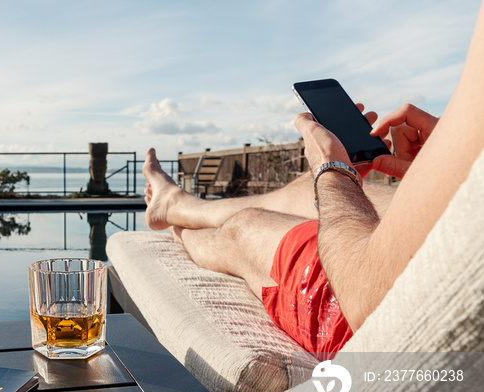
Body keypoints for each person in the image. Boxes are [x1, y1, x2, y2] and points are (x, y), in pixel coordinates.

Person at [142, 2, 484, 355]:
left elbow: (367, 299)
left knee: (245, 228)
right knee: (308, 192)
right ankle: (178, 205)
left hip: (387, 314)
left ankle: (178, 224)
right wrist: (444, 172)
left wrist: (332, 172)